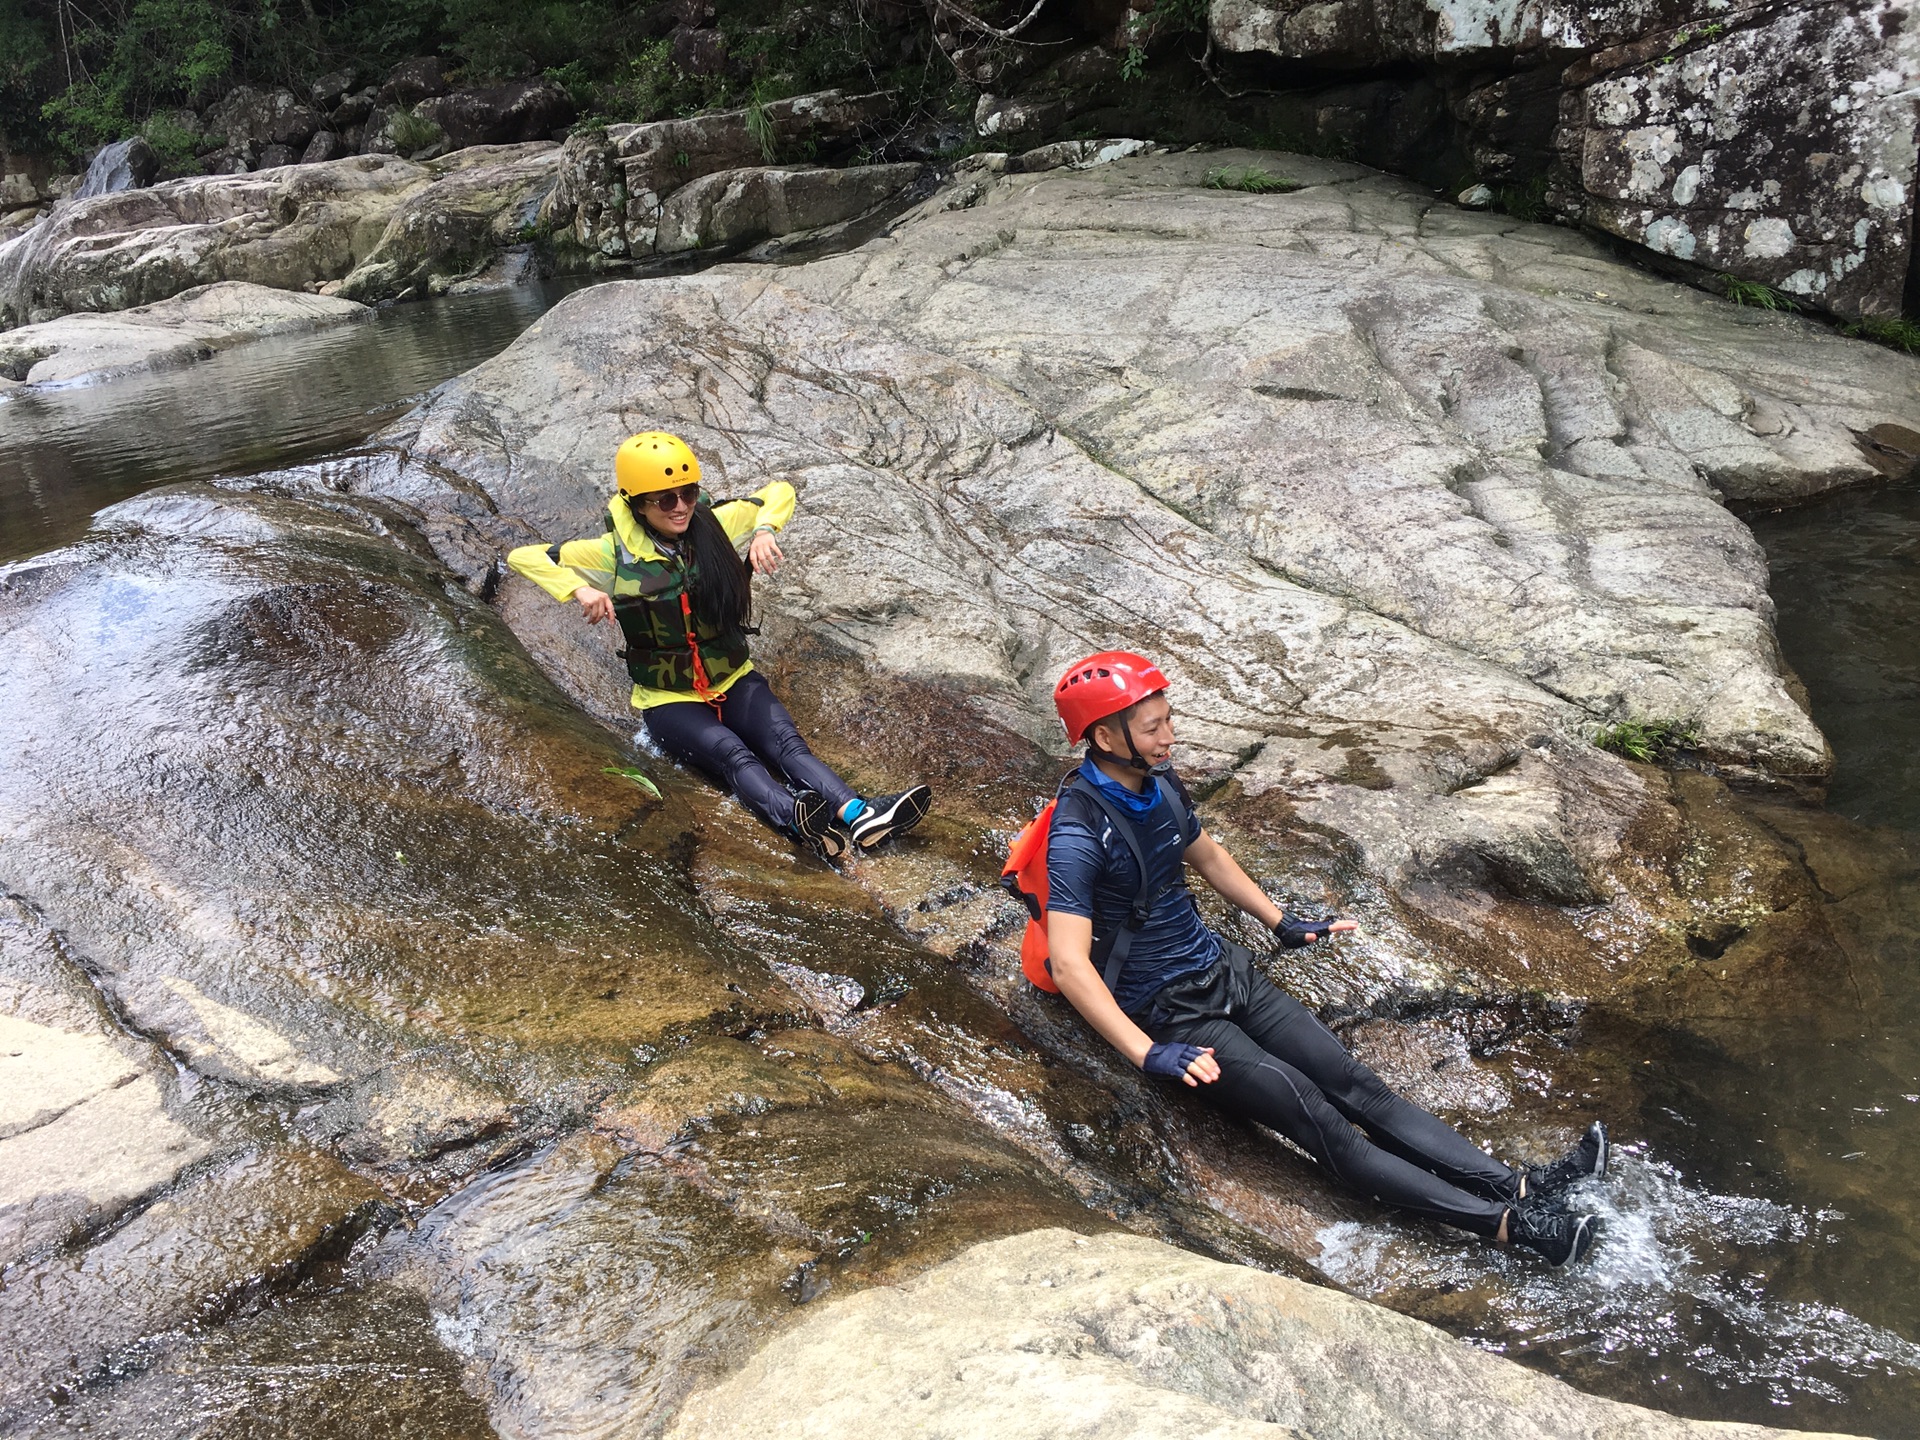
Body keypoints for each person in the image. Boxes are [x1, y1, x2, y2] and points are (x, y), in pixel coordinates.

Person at [1042, 650, 1606, 1266]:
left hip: (1223, 969)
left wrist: (1279, 922)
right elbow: (1069, 963)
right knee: (1316, 1116)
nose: (1168, 737)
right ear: (1103, 736)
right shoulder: (1076, 833)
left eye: (1167, 720)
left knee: (1355, 1084)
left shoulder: (1159, 783)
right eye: (1151, 728)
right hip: (1170, 1015)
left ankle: (1517, 1186)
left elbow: (1207, 856)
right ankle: (1509, 1227)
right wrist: (1147, 1051)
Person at [507, 431, 930, 858]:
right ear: (637, 503)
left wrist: (765, 530)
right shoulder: (610, 555)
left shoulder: (716, 525)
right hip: (669, 699)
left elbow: (779, 492)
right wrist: (578, 591)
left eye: (687, 493)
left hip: (735, 678)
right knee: (735, 756)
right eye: (664, 499)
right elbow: (526, 557)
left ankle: (860, 815)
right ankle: (802, 822)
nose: (681, 507)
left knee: (787, 745)